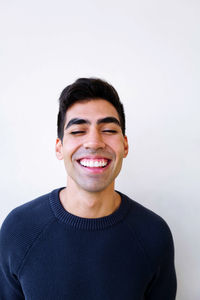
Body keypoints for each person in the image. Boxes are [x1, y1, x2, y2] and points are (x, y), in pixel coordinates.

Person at [0, 78, 177, 299]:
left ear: (125, 145)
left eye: (109, 130)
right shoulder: (19, 230)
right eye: (77, 131)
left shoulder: (153, 234)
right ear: (59, 148)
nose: (94, 142)